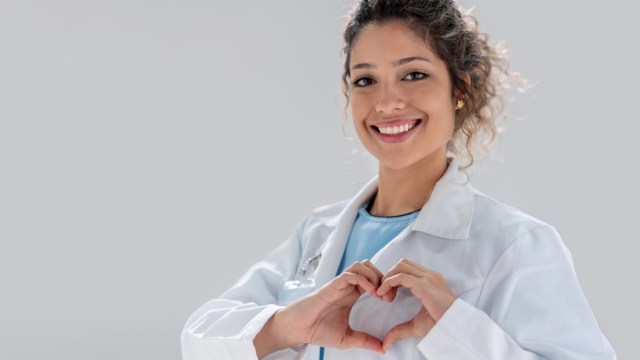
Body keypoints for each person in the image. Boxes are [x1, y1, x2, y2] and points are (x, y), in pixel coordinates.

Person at [181, 0, 616, 359]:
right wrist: (284, 327)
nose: (388, 102)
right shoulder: (317, 234)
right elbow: (198, 340)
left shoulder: (516, 245)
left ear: (459, 89)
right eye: (366, 80)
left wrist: (456, 329)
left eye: (414, 74)